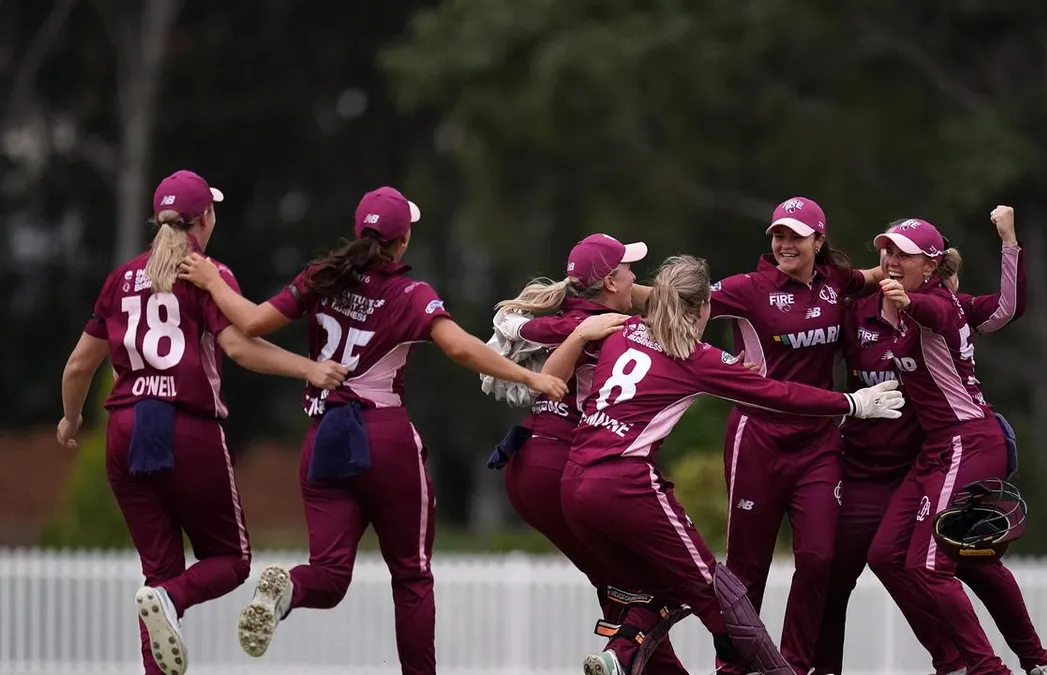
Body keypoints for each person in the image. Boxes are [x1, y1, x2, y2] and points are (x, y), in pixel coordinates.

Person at [177, 186, 567, 675]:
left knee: (328, 573)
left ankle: (292, 588)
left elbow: (251, 323)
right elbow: (462, 349)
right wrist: (530, 375)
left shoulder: (321, 277)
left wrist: (214, 282)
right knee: (412, 578)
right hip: (385, 439)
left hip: (325, 439)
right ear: (402, 243)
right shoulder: (411, 293)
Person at [56, 170, 350, 675]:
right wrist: (309, 369)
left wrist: (69, 418)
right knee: (231, 561)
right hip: (187, 427)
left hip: (125, 429)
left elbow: (80, 365)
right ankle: (171, 598)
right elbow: (238, 347)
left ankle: (166, 602)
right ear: (206, 219)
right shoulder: (208, 273)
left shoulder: (120, 279)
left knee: (159, 577)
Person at [554, 254, 906, 675]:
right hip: (626, 483)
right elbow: (779, 395)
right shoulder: (696, 356)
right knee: (719, 595)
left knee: (659, 584)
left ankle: (621, 656)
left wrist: (524, 323)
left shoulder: (623, 327)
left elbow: (551, 333)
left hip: (573, 484)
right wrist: (852, 402)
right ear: (704, 308)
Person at [814, 207, 1047, 675]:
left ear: (932, 265)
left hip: (968, 440)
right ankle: (997, 663)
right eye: (886, 250)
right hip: (937, 451)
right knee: (887, 555)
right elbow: (1002, 308)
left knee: (934, 566)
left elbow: (944, 311)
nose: (890, 259)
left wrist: (1008, 241)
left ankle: (991, 669)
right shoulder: (892, 309)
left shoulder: (940, 303)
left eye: (903, 253)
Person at [484, 234, 694, 674]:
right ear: (611, 282)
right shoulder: (613, 328)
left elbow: (511, 323)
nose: (635, 276)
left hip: (525, 463)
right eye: (627, 269)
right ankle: (620, 657)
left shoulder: (561, 318)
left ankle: (624, 661)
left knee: (623, 587)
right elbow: (678, 348)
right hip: (564, 465)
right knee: (667, 578)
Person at [706, 197, 883, 675]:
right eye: (778, 236)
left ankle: (794, 666)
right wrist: (595, 297)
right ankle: (735, 668)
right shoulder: (748, 288)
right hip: (757, 438)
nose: (784, 244)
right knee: (746, 570)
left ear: (818, 241)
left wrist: (932, 271)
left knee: (820, 557)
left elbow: (879, 277)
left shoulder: (836, 283)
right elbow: (670, 300)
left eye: (795, 236)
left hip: (818, 443)